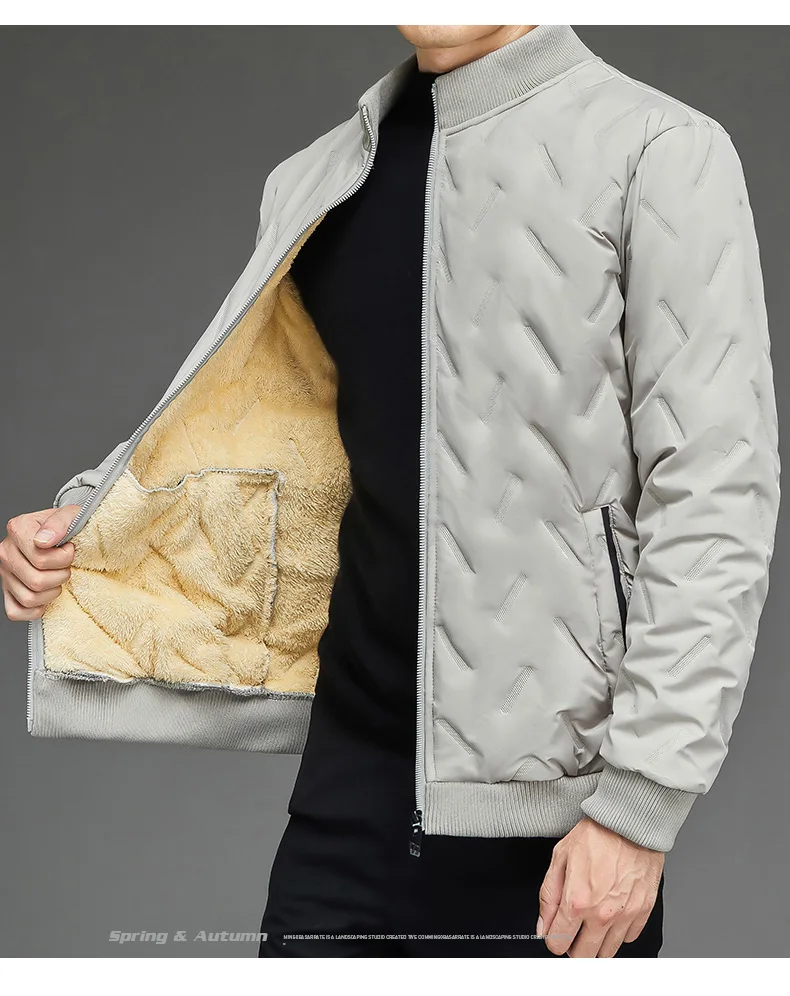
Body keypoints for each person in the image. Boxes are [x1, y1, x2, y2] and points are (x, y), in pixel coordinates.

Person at [1, 25, 779, 958]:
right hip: (346, 799)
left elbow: (716, 496)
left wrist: (640, 805)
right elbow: (284, 437)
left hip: (560, 825)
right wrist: (95, 524)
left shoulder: (660, 149)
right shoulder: (322, 177)